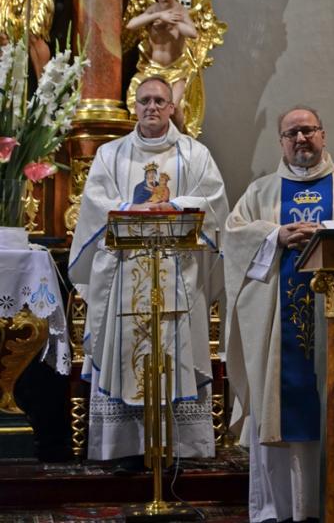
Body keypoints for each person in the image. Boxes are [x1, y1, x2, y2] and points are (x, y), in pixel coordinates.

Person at [223, 106, 334, 523]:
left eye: (308, 130)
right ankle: (279, 510)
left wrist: (328, 233)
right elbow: (233, 238)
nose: (300, 139)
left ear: (323, 135)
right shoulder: (261, 193)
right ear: (281, 141)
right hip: (279, 335)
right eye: (291, 133)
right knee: (282, 405)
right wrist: (275, 236)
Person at [69, 76, 228, 469]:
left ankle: (178, 447)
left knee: (176, 352)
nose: (152, 107)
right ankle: (124, 447)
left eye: (159, 101)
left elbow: (213, 201)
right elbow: (95, 204)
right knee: (125, 353)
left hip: (178, 276)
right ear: (134, 107)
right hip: (123, 274)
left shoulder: (195, 154)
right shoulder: (110, 154)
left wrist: (174, 205)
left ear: (172, 107)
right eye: (144, 101)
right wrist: (130, 208)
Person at [126, 0, 198, 130]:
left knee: (173, 107)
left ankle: (179, 138)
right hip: (152, 69)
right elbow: (131, 25)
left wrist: (174, 22)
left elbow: (193, 33)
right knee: (138, 101)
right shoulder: (153, 10)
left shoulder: (180, 11)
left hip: (176, 69)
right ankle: (144, 137)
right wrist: (158, 15)